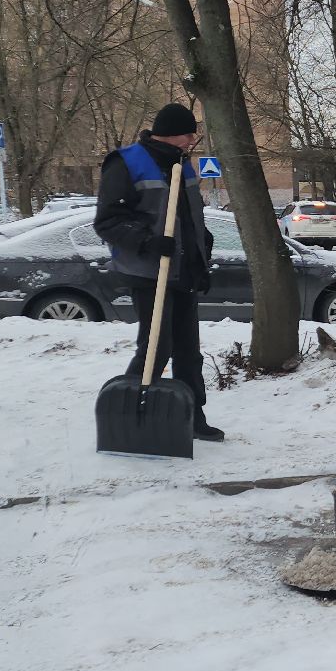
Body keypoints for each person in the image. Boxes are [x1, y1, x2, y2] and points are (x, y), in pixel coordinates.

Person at [95, 103, 224, 441]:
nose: (192, 140)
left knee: (188, 351)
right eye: (188, 134)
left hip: (184, 272)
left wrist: (201, 256)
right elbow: (107, 221)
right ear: (171, 133)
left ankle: (191, 415)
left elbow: (192, 219)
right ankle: (130, 414)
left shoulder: (184, 167)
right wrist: (147, 242)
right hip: (149, 272)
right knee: (156, 345)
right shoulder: (126, 162)